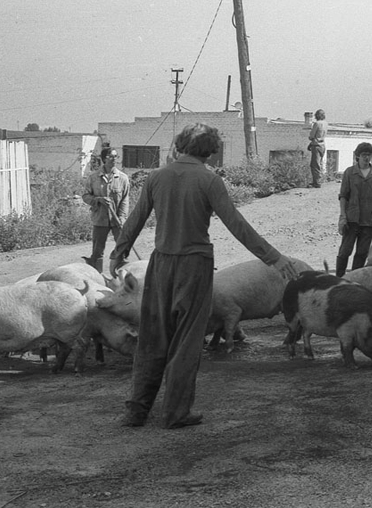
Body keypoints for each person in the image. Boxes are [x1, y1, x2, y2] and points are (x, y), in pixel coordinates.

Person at [109, 123, 299, 430]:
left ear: (181, 144)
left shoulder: (157, 177)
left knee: (153, 339)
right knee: (186, 341)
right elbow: (237, 226)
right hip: (194, 266)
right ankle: (176, 413)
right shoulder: (209, 180)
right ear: (211, 151)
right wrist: (274, 258)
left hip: (161, 265)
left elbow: (135, 219)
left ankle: (136, 411)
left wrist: (118, 253)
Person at [335, 142, 372, 277]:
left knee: (362, 253)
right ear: (357, 156)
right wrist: (343, 216)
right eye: (363, 155)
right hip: (352, 219)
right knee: (345, 251)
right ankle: (339, 279)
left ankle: (353, 280)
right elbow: (343, 196)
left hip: (369, 220)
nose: (366, 158)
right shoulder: (350, 173)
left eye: (369, 155)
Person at [81, 147, 130, 273]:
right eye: (111, 156)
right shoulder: (93, 177)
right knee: (97, 251)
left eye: (116, 156)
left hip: (116, 220)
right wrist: (98, 200)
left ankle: (119, 276)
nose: (114, 159)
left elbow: (125, 200)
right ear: (103, 159)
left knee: (121, 249)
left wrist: (122, 218)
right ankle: (97, 276)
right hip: (100, 219)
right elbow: (85, 196)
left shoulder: (123, 178)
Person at [307, 109, 328, 188]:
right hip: (322, 145)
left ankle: (316, 182)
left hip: (316, 145)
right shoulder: (326, 123)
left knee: (315, 164)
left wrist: (311, 139)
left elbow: (312, 136)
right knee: (320, 163)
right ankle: (318, 180)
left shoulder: (317, 123)